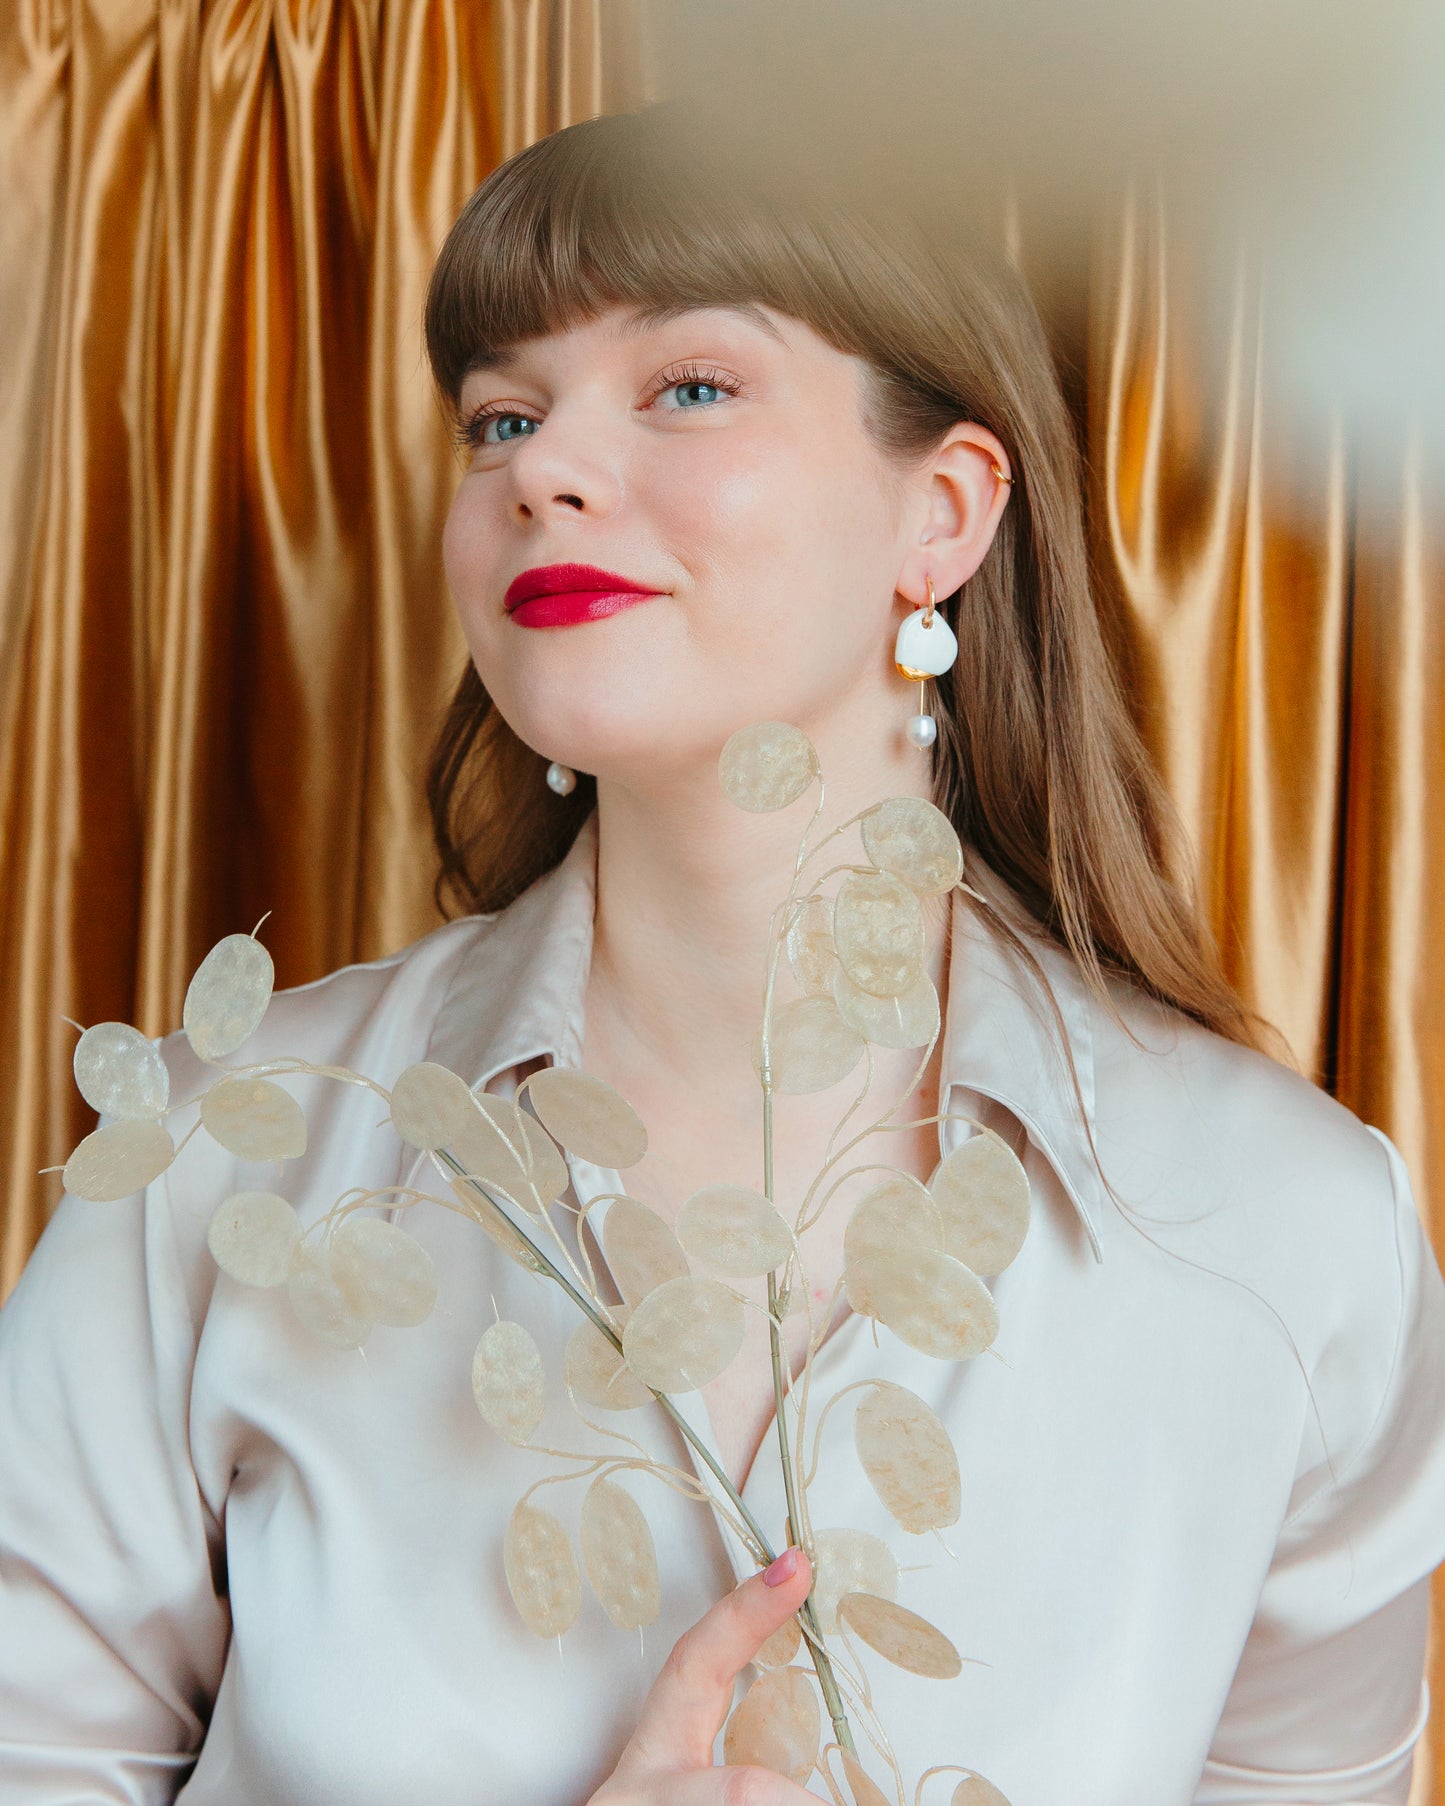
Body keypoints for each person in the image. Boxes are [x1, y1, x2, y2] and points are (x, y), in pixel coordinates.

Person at [2, 105, 1444, 1806]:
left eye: (688, 384)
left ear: (942, 515)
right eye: (501, 416)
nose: (539, 469)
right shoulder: (216, 1155)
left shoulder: (1288, 1236)